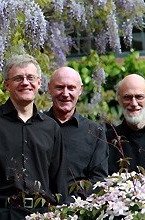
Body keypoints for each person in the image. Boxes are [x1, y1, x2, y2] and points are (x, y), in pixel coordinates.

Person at [0, 54, 69, 220]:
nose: (25, 83)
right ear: (7, 84)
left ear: (39, 83)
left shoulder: (51, 127)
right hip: (1, 214)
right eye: (18, 78)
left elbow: (59, 182)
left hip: (43, 215)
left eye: (31, 78)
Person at [46, 67, 108, 199]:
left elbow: (98, 180)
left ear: (80, 90)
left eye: (71, 88)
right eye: (59, 87)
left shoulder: (95, 132)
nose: (65, 93)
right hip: (40, 210)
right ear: (49, 88)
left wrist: (70, 205)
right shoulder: (36, 127)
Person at [106, 74, 145, 174]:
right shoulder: (105, 141)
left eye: (139, 97)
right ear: (119, 99)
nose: (133, 103)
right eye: (127, 97)